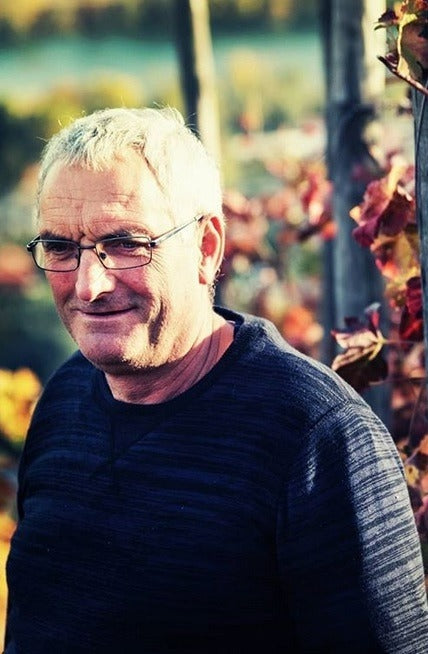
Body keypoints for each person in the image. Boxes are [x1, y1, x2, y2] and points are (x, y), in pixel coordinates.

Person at [4, 107, 428, 654]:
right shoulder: (63, 400)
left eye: (127, 243)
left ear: (206, 248)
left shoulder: (318, 437)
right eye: (61, 248)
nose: (89, 285)